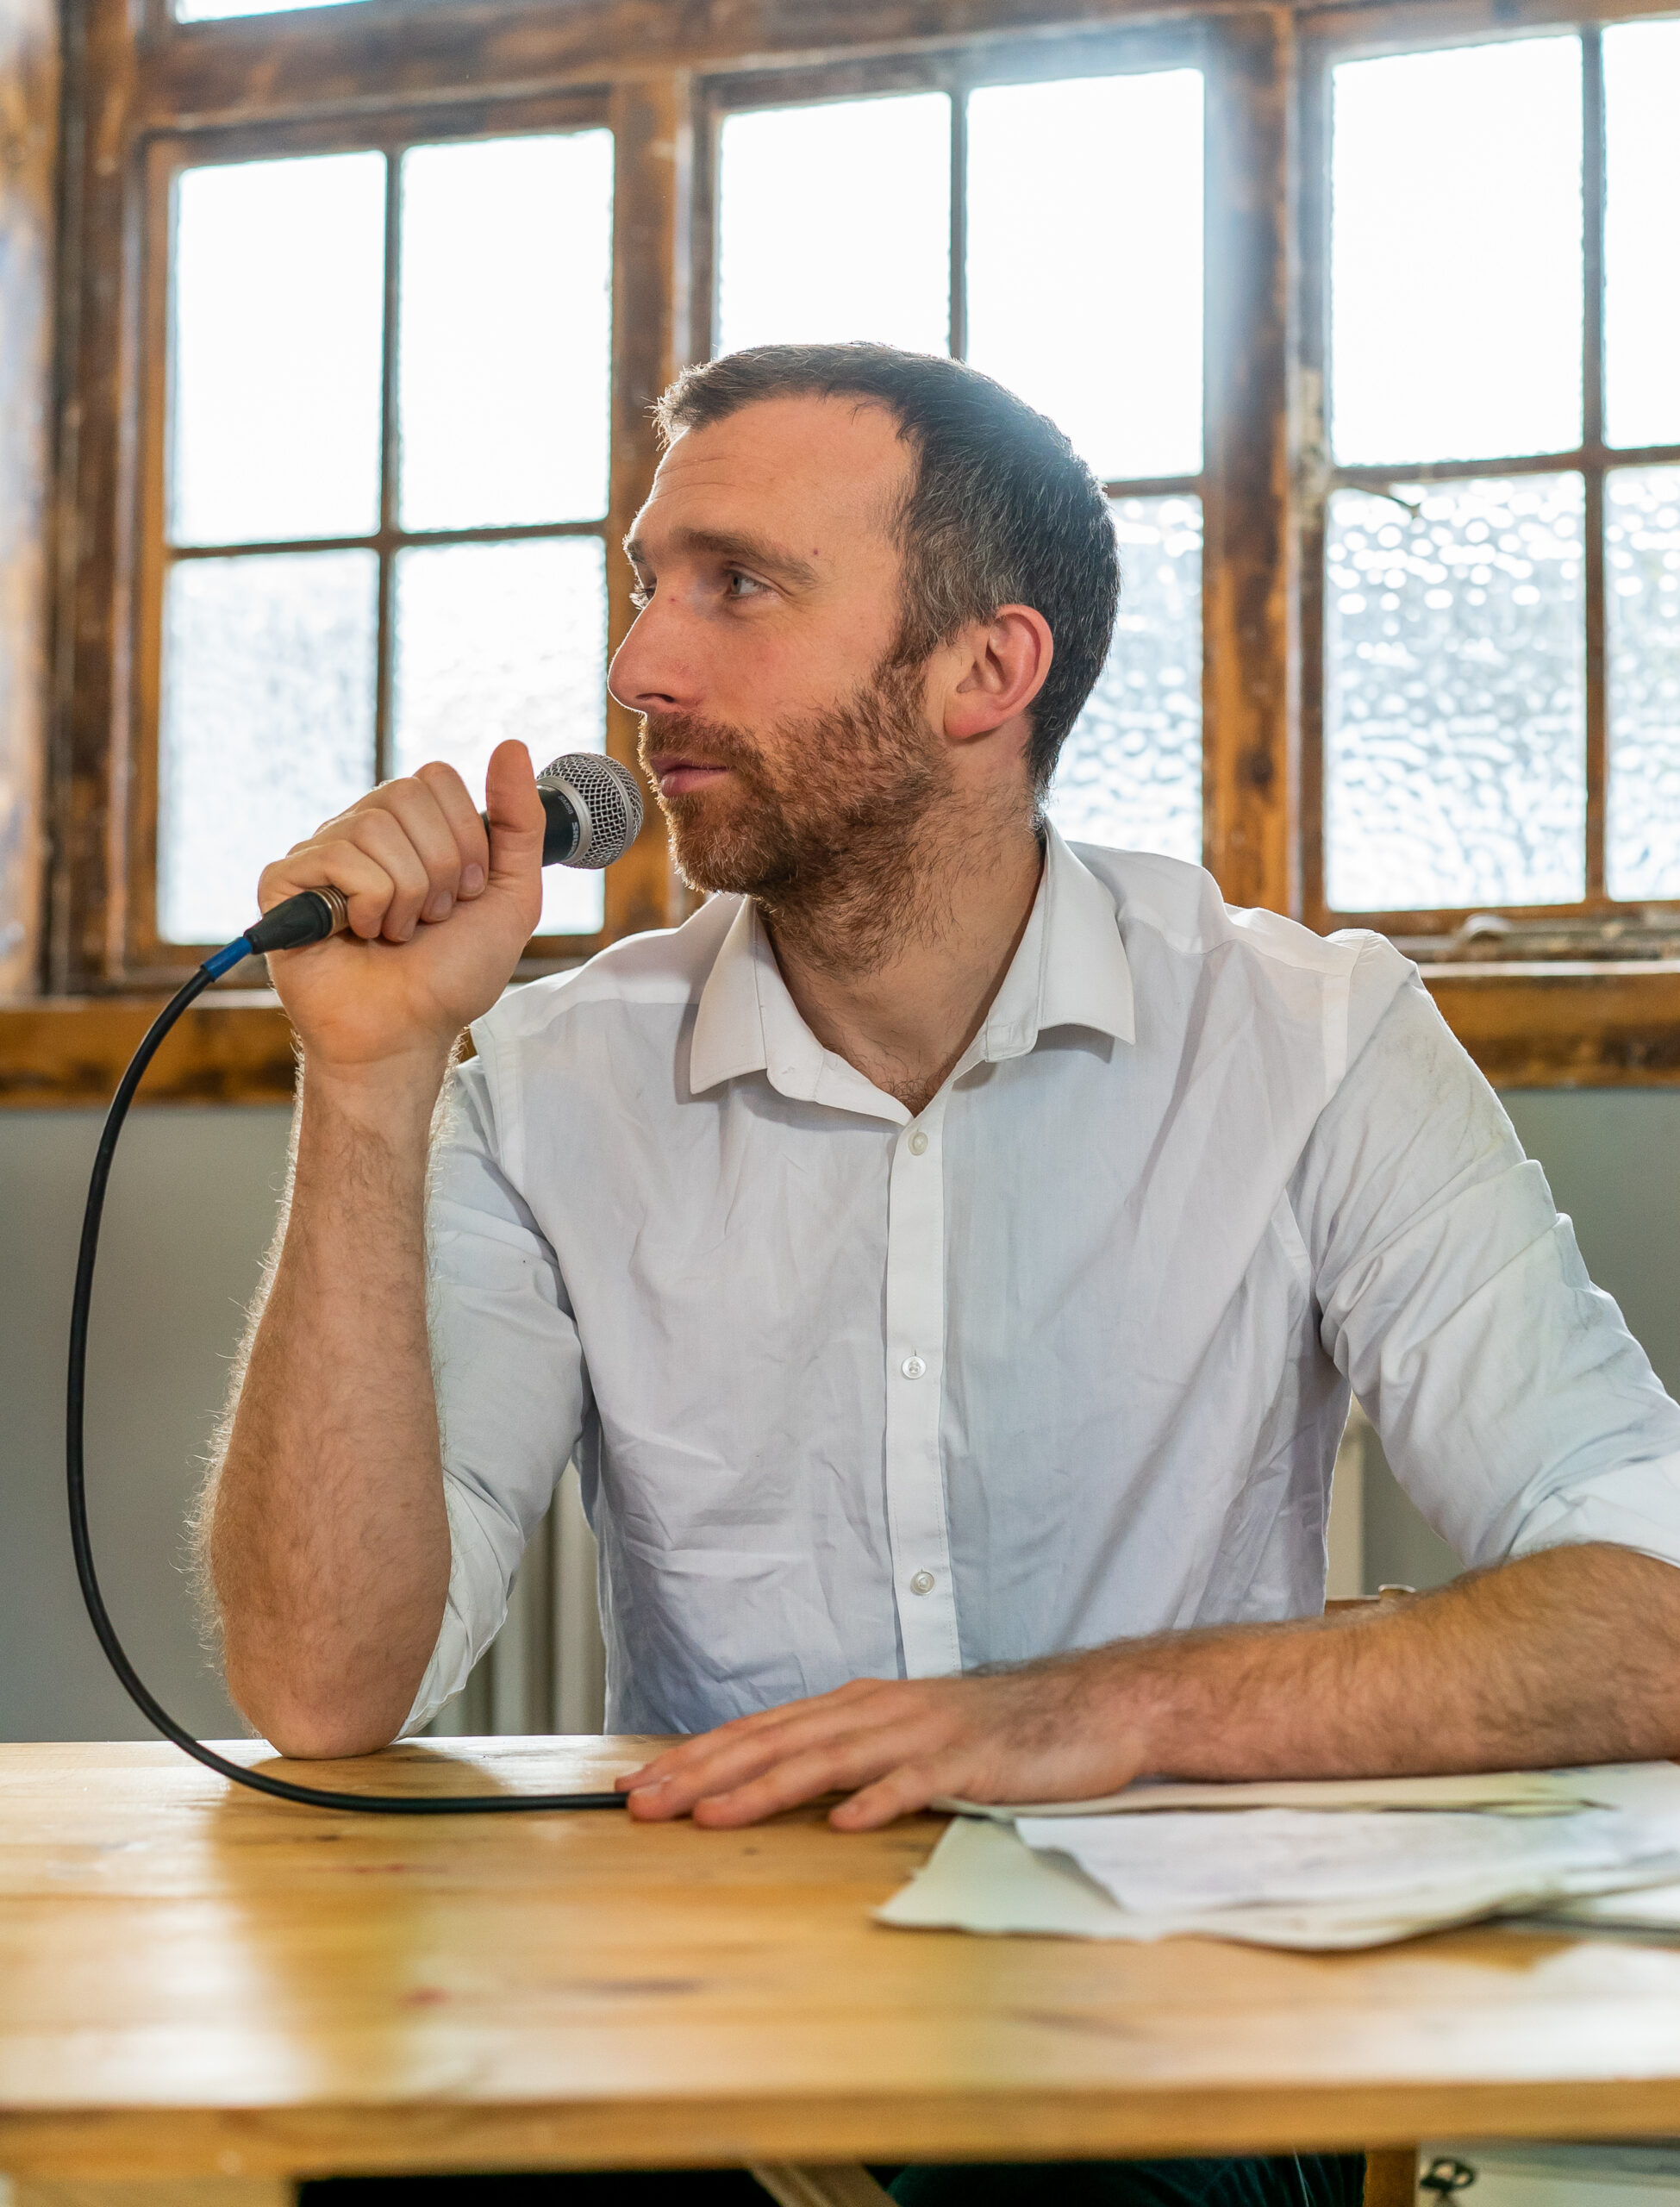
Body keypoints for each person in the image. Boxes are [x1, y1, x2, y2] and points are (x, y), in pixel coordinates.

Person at [210, 343, 1680, 2207]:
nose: (639, 667)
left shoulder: (1310, 1036)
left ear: (986, 669)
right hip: (707, 2017)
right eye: (647, 583)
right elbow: (331, 1692)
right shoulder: (550, 1085)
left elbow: (1655, 1606)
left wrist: (1099, 1708)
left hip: (1173, 2026)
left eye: (736, 584)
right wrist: (368, 1078)